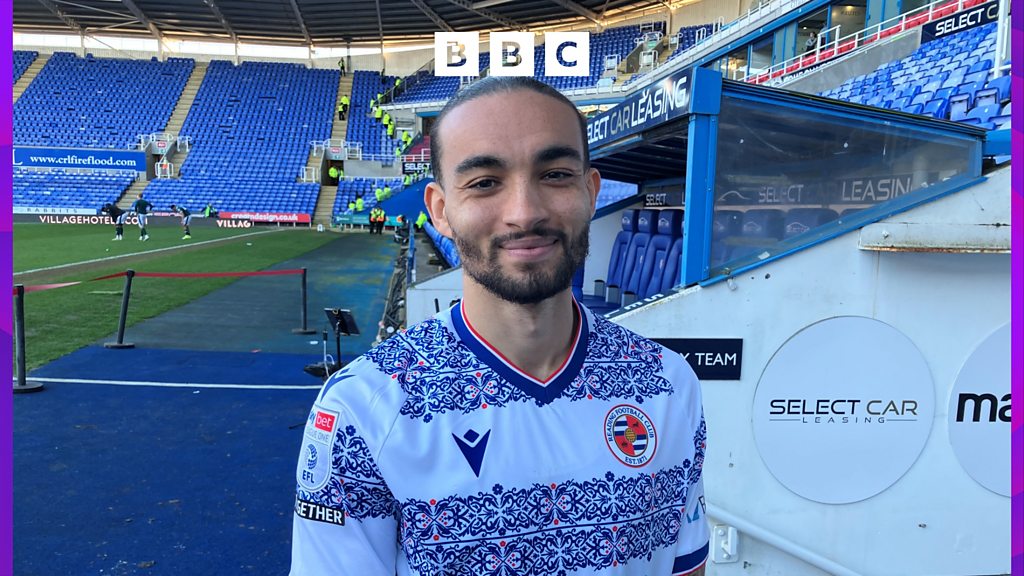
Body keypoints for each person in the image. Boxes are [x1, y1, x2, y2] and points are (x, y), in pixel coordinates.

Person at [289, 76, 709, 576]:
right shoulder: (364, 409)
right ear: (441, 211)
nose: (524, 213)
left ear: (591, 191)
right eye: (485, 182)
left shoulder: (667, 383)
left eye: (555, 174)